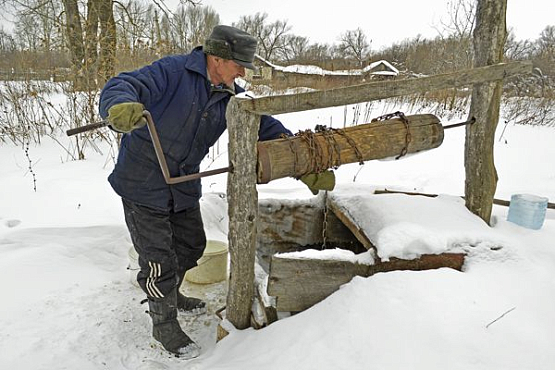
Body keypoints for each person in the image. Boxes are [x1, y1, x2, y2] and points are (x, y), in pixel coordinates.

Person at [99, 25, 333, 358]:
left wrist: (301, 163)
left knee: (192, 245)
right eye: (239, 65)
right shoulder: (172, 72)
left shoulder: (230, 96)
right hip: (142, 182)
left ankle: (172, 293)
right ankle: (163, 324)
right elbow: (124, 84)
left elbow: (265, 128)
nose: (242, 73)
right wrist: (120, 105)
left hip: (181, 185)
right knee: (158, 262)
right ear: (218, 58)